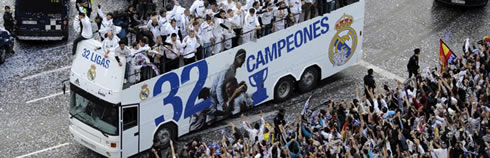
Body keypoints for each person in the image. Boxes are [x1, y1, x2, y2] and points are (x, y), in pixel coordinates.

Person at [209, 49, 247, 119]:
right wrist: (222, 103)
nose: (243, 61)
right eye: (242, 58)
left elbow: (228, 85)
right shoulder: (228, 69)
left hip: (221, 96)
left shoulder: (234, 70)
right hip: (215, 96)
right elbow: (218, 87)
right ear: (237, 58)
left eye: (244, 59)